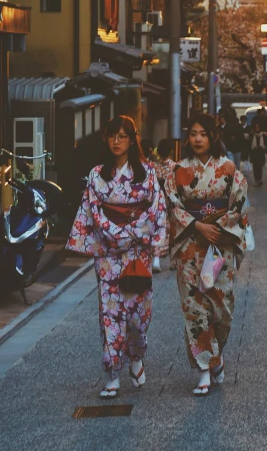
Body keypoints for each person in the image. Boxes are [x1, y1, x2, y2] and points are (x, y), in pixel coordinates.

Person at [66, 115, 167, 399]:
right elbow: (93, 211)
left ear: (132, 140)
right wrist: (114, 233)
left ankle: (136, 357)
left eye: (123, 136)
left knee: (138, 314)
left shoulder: (146, 173)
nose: (117, 141)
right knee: (110, 314)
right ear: (105, 139)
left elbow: (156, 209)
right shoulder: (98, 174)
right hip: (109, 255)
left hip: (137, 252)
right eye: (112, 136)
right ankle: (112, 374)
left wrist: (134, 232)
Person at [164, 114, 249, 397]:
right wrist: (197, 224)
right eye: (193, 134)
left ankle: (216, 354)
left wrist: (217, 227)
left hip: (218, 246)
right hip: (190, 245)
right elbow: (172, 204)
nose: (197, 139)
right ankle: (203, 369)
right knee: (194, 308)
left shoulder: (228, 168)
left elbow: (238, 204)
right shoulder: (178, 170)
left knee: (221, 308)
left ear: (212, 136)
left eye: (203, 133)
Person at [152, 138, 175, 273]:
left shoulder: (154, 167)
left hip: (156, 201)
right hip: (171, 201)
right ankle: (173, 260)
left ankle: (156, 259)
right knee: (172, 230)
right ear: (171, 151)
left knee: (158, 229)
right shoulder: (174, 167)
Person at [250, 122, 267, 186]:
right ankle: (256, 180)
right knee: (255, 167)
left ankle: (259, 179)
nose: (257, 128)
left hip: (261, 151)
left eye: (258, 127)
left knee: (260, 166)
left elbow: (266, 143)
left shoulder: (263, 135)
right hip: (254, 152)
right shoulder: (252, 134)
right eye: (256, 127)